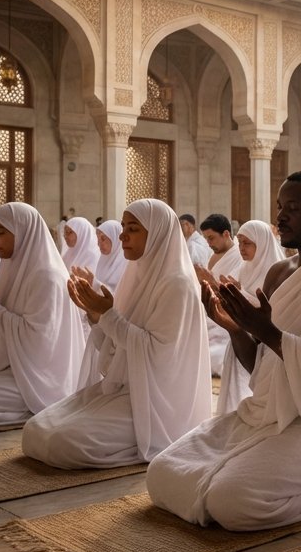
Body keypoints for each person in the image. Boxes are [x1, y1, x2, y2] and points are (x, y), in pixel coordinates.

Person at [146, 170, 301, 531]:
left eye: (292, 208)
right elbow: (261, 368)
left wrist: (267, 330)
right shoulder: (279, 273)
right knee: (162, 473)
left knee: (230, 500)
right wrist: (237, 330)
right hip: (264, 413)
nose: (280, 217)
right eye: (280, 207)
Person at [22, 200, 212, 467]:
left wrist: (108, 315)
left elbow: (159, 356)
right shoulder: (135, 274)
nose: (122, 235)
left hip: (154, 402)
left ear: (157, 233)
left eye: (132, 228)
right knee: (35, 429)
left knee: (58, 443)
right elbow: (113, 345)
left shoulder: (177, 284)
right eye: (123, 227)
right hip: (122, 387)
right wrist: (96, 314)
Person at [0, 203, 84, 427]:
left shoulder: (47, 277)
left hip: (37, 377)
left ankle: (37, 410)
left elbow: (39, 342)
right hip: (8, 366)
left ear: (23, 232)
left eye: (0, 233)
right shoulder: (10, 268)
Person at [215, 218, 286, 414]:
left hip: (263, 340)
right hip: (240, 335)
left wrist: (240, 293)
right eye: (240, 243)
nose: (242, 248)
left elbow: (271, 308)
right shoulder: (244, 267)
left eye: (247, 243)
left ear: (261, 243)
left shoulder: (276, 270)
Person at [197, 213, 242, 376]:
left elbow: (238, 294)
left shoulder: (240, 256)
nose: (209, 243)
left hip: (230, 316)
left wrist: (212, 282)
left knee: (213, 356)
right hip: (210, 311)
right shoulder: (213, 256)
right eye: (206, 239)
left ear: (226, 234)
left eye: (211, 238)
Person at [92, 220, 127, 293]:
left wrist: (94, 283)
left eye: (103, 239)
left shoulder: (127, 265)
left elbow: (120, 296)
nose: (99, 244)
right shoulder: (102, 261)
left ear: (115, 238)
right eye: (98, 239)